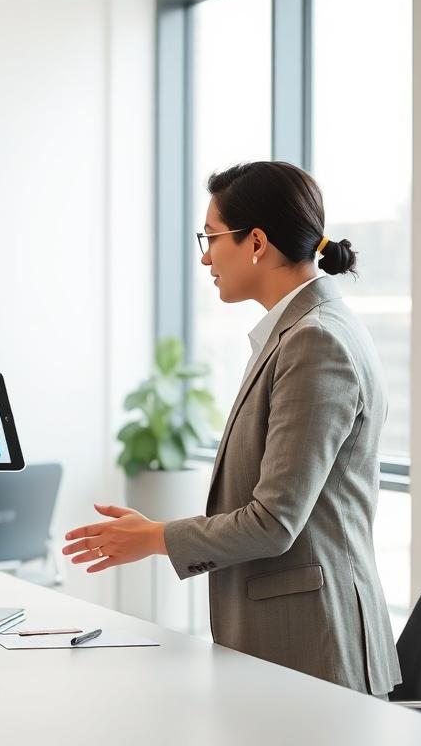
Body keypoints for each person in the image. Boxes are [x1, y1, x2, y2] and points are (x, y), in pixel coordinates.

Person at [63, 161, 401, 696]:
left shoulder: (316, 342)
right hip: (295, 647)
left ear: (257, 243)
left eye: (212, 237)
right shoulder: (298, 331)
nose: (204, 256)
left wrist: (153, 538)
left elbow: (273, 522)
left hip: (314, 651)